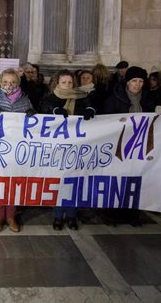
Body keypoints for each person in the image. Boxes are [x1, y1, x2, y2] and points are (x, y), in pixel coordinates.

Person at [39, 70, 96, 230]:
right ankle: (58, 216)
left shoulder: (82, 97)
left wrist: (91, 110)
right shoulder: (50, 98)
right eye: (64, 82)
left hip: (77, 146)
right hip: (57, 147)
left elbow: (91, 107)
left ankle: (71, 216)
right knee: (59, 182)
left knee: (74, 182)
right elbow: (42, 112)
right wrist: (54, 111)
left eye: (70, 82)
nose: (67, 85)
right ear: (57, 83)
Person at [0, 68, 36, 233]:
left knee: (14, 183)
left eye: (13, 82)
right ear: (0, 82)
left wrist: (32, 115)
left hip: (17, 149)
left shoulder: (25, 101)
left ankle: (11, 216)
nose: (9, 85)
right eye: (5, 82)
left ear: (18, 83)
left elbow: (33, 126)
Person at [102, 66, 151, 226]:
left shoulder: (147, 99)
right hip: (118, 147)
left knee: (134, 181)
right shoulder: (115, 98)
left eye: (141, 81)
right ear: (127, 82)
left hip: (139, 147)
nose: (137, 84)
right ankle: (111, 215)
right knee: (116, 181)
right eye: (134, 81)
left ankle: (132, 215)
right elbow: (107, 121)